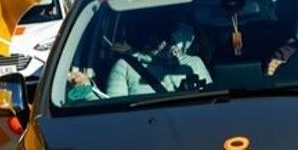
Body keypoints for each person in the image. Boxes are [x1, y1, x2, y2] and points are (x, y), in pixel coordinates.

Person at [66, 22, 210, 100]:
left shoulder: (193, 64)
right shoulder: (125, 66)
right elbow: (112, 113)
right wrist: (84, 88)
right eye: (154, 38)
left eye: (167, 36)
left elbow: (213, 103)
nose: (163, 44)